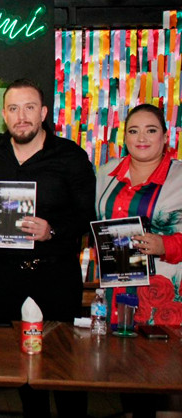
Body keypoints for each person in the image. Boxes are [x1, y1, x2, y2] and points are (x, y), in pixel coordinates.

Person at [0, 78, 94, 417]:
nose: (22, 116)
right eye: (13, 109)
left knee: (65, 371)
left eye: (29, 108)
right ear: (4, 115)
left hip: (57, 277)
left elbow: (88, 217)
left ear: (43, 112)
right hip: (9, 278)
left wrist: (52, 230)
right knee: (23, 375)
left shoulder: (70, 156)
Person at [96, 104, 182, 417]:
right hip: (119, 291)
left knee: (166, 383)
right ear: (124, 136)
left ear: (165, 136)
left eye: (151, 130)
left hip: (166, 295)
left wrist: (166, 244)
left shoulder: (179, 176)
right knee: (125, 376)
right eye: (133, 130)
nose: (141, 137)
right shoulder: (107, 173)